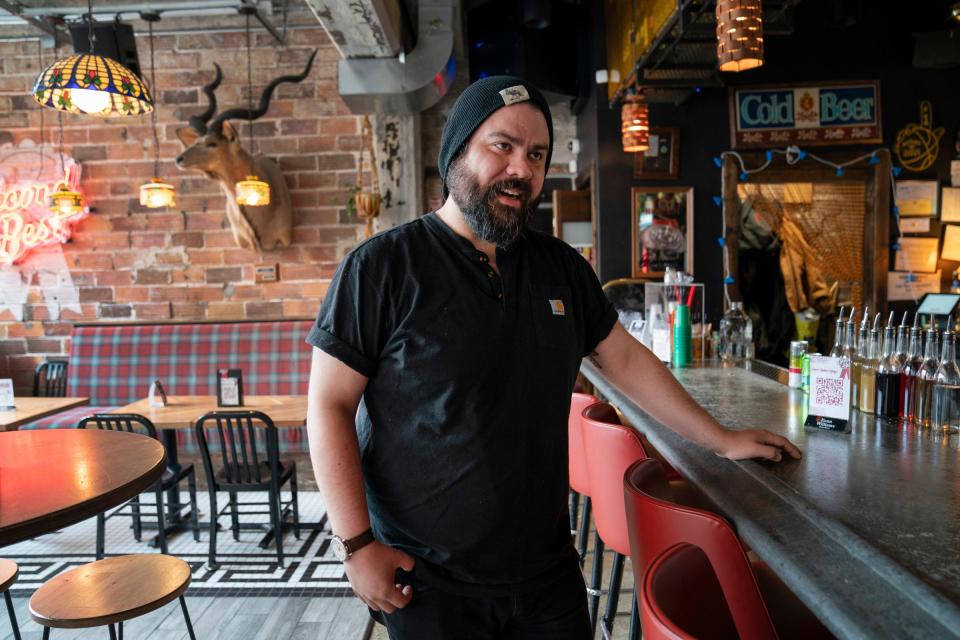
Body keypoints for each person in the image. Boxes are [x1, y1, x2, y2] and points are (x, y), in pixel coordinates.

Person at [305, 76, 801, 640]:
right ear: (457, 152)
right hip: (429, 581)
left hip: (545, 573)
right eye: (503, 146)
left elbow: (626, 361)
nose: (522, 168)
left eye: (537, 154)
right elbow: (328, 405)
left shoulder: (560, 267)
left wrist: (721, 438)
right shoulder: (381, 268)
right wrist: (357, 546)